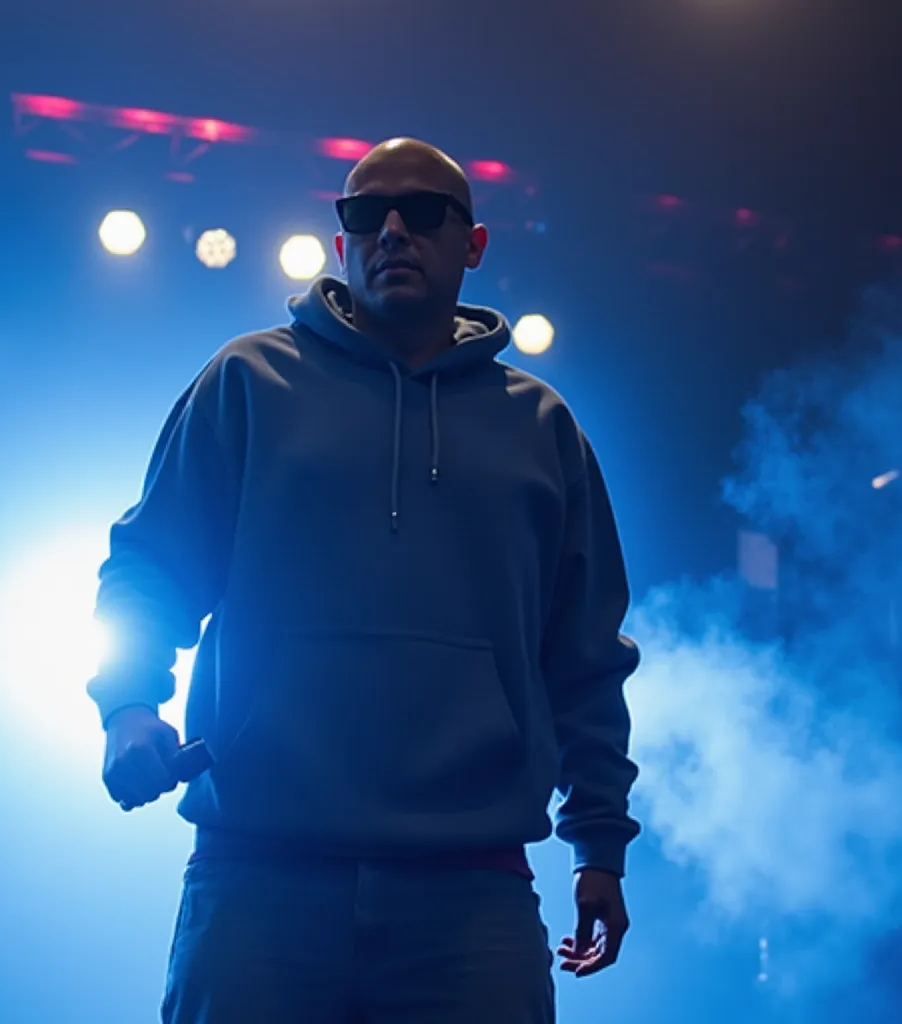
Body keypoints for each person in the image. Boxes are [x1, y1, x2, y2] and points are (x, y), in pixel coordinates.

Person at [87, 137, 641, 1023]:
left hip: (470, 894)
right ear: (341, 241)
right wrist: (127, 705)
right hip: (260, 877)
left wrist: (599, 842)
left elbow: (584, 655)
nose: (391, 230)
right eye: (365, 214)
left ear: (473, 244)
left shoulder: (542, 429)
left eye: (421, 212)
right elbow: (150, 564)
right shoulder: (247, 382)